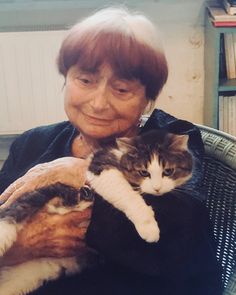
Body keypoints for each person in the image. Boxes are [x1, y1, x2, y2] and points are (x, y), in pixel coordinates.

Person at [0, 7, 222, 295]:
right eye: (85, 80)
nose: (98, 103)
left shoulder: (170, 139)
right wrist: (19, 248)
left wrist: (79, 170)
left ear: (147, 99)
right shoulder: (32, 143)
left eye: (121, 89)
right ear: (66, 79)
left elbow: (183, 230)